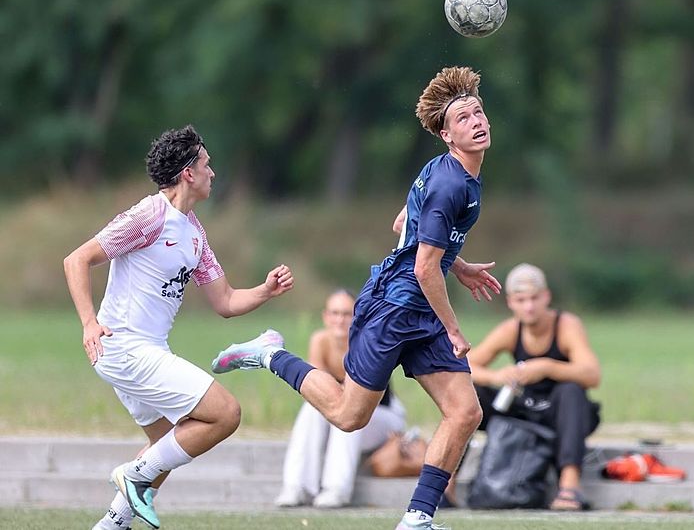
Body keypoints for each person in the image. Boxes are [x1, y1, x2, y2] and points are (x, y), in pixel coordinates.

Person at [211, 66, 501, 530]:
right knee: (349, 416)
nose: (476, 120)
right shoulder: (452, 183)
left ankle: (418, 518)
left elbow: (403, 225)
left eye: (479, 111)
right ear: (447, 135)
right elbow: (424, 266)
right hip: (396, 306)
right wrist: (453, 326)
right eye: (464, 118)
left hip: (420, 304)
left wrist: (459, 266)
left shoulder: (449, 171)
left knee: (465, 411)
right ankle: (269, 354)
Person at [63, 125, 294, 530]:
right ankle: (132, 476)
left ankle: (112, 523)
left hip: (144, 349)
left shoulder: (195, 232)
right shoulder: (149, 215)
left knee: (170, 442)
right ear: (188, 172)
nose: (213, 172)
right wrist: (88, 323)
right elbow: (76, 260)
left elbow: (224, 301)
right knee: (225, 414)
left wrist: (265, 291)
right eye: (207, 164)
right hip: (124, 347)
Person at [465, 263, 602, 511]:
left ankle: (569, 486)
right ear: (510, 303)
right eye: (521, 300)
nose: (528, 306)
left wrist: (547, 367)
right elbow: (465, 366)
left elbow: (592, 375)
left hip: (561, 413)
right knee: (467, 392)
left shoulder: (566, 325)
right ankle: (446, 483)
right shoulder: (509, 330)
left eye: (534, 298)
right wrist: (497, 376)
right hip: (522, 409)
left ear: (546, 297)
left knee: (572, 389)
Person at [274, 289, 407, 508]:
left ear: (357, 316)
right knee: (313, 407)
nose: (339, 320)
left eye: (346, 314)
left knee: (348, 408)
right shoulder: (319, 340)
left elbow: (357, 397)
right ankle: (297, 486)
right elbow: (314, 388)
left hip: (382, 416)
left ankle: (337, 489)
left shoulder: (367, 341)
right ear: (326, 316)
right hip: (344, 412)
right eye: (334, 313)